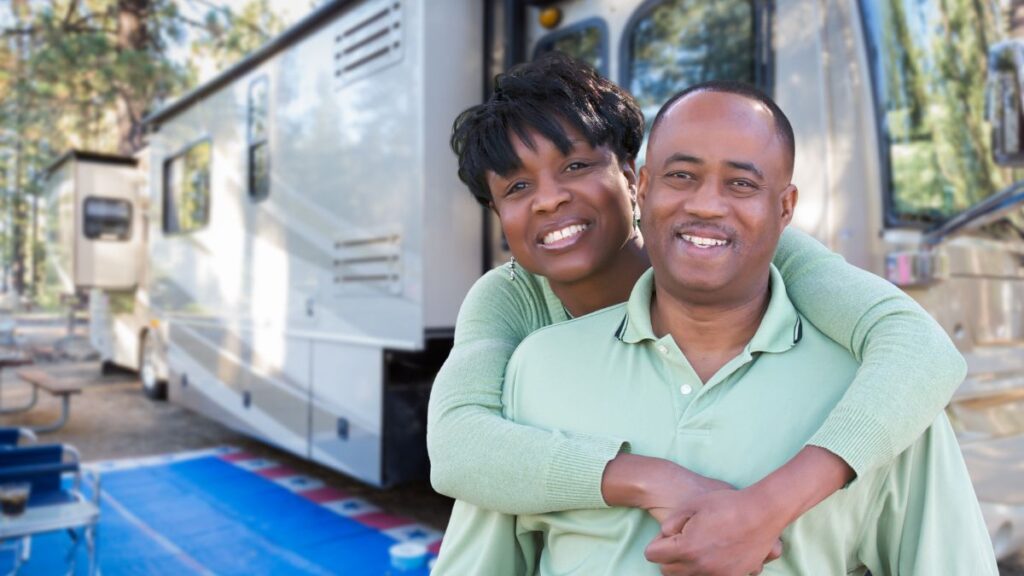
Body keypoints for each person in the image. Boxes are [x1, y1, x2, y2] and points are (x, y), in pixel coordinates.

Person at [428, 53, 969, 573]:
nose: (549, 200)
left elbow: (919, 348)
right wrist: (652, 479)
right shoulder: (518, 322)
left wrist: (766, 509)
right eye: (518, 187)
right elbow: (458, 447)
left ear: (630, 177)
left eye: (575, 165)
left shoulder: (749, 250)